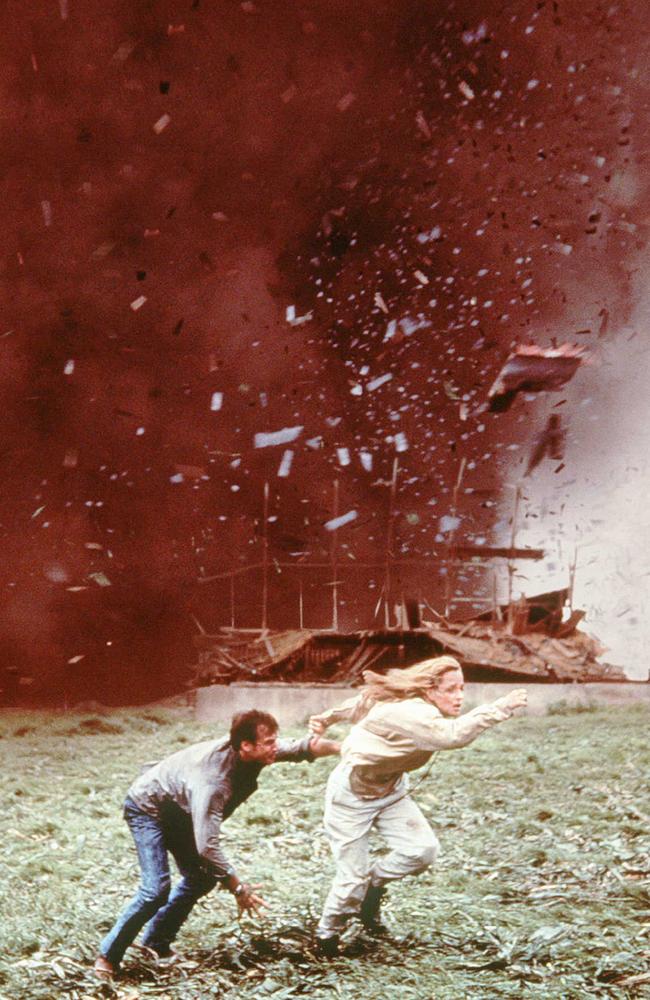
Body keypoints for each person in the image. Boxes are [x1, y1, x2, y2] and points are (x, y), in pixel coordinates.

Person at [94, 709, 339, 979]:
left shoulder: (250, 749)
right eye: (269, 743)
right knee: (155, 889)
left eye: (274, 740)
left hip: (181, 807)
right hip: (148, 807)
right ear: (246, 746)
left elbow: (303, 747)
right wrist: (239, 888)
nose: (275, 747)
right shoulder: (213, 783)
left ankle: (155, 943)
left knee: (202, 876)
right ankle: (108, 956)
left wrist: (344, 748)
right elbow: (207, 848)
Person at [308, 656, 527, 955]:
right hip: (351, 797)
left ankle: (374, 886)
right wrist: (500, 707)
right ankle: (326, 938)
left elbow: (365, 702)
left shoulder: (411, 703)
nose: (460, 697)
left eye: (462, 688)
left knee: (422, 850)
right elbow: (451, 736)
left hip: (392, 789)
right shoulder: (414, 712)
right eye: (451, 689)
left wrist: (329, 717)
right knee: (350, 879)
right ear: (429, 689)